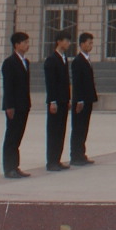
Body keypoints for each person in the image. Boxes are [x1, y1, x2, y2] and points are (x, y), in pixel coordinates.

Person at [0, 30, 32, 179]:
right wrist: (9, 106)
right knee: (11, 137)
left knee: (18, 136)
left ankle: (15, 166)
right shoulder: (9, 63)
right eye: (25, 42)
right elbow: (8, 86)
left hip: (24, 105)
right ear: (16, 45)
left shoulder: (25, 62)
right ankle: (9, 168)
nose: (27, 45)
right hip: (14, 106)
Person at [43, 31, 73, 172]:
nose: (68, 44)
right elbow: (50, 83)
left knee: (61, 131)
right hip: (55, 101)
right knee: (53, 131)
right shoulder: (51, 60)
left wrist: (68, 99)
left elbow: (66, 82)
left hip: (63, 100)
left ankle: (57, 159)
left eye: (69, 41)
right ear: (59, 42)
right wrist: (52, 101)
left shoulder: (64, 59)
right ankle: (51, 161)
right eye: (66, 41)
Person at [69, 30, 98, 166]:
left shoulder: (87, 59)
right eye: (89, 43)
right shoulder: (78, 61)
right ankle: (75, 155)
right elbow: (77, 82)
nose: (91, 45)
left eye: (92, 43)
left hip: (88, 99)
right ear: (81, 44)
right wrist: (79, 99)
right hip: (80, 100)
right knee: (78, 128)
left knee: (84, 128)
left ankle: (81, 153)